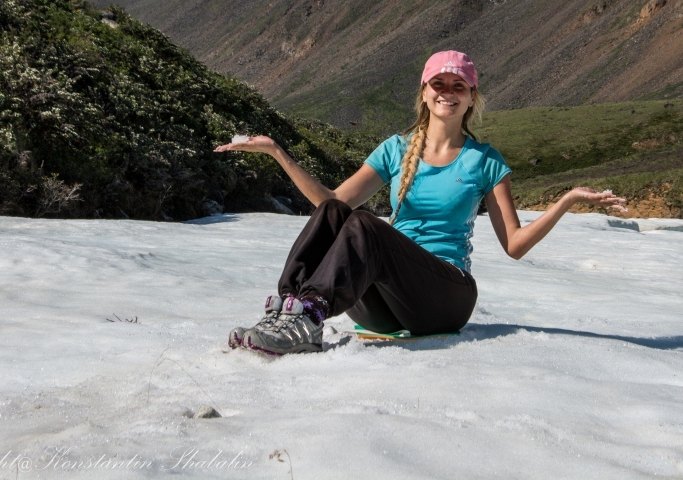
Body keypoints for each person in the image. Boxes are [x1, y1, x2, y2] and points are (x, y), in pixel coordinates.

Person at [214, 51, 627, 355]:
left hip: (444, 298)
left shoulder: (485, 160)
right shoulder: (395, 149)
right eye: (439, 85)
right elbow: (331, 204)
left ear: (470, 98)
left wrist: (568, 200)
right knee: (338, 212)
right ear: (425, 93)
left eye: (458, 86)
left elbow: (515, 245)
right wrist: (277, 153)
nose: (448, 93)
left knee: (366, 226)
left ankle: (306, 315)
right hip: (383, 305)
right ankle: (292, 313)